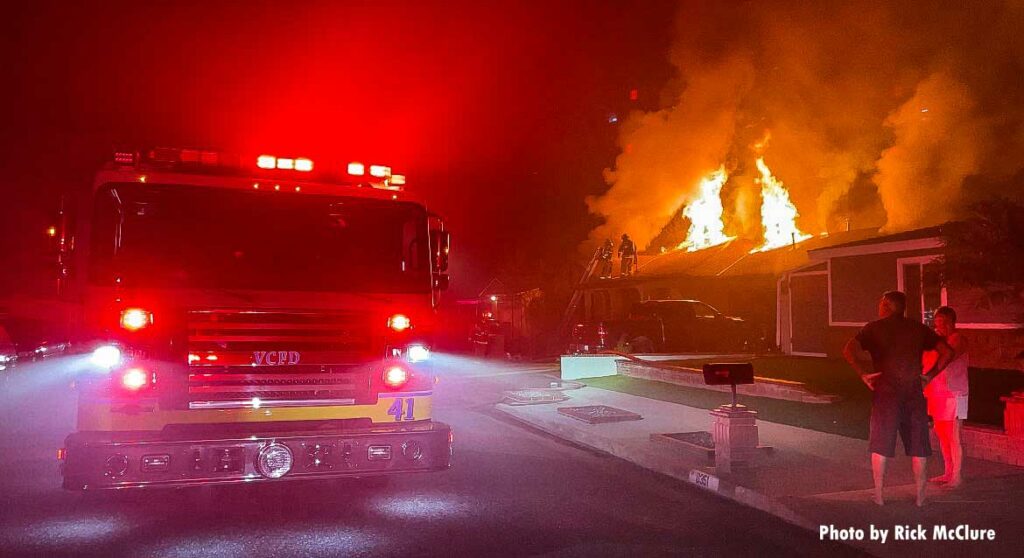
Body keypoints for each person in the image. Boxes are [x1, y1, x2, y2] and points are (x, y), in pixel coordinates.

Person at [842, 291, 954, 507]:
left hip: (886, 393)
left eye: (880, 303)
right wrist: (928, 376)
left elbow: (848, 350)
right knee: (919, 446)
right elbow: (947, 352)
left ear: (885, 305)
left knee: (881, 444)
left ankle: (879, 495)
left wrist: (862, 373)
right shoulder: (918, 328)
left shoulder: (873, 328)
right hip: (913, 392)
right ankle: (921, 498)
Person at [924, 306, 969, 488]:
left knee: (954, 435)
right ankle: (948, 471)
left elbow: (948, 356)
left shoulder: (957, 339)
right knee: (942, 434)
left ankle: (957, 476)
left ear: (951, 322)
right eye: (937, 323)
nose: (939, 326)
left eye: (942, 323)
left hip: (955, 393)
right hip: (938, 393)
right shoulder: (937, 341)